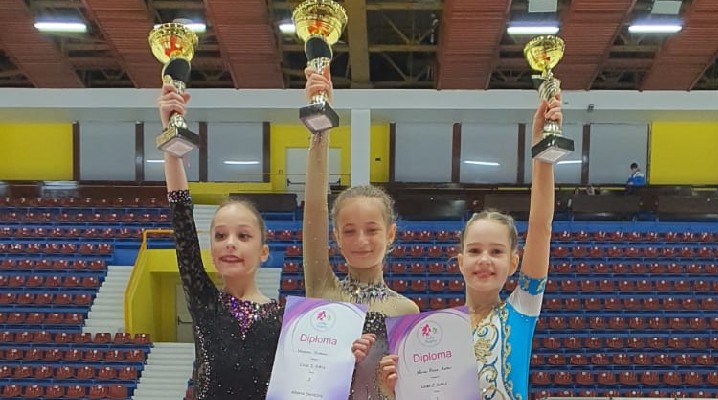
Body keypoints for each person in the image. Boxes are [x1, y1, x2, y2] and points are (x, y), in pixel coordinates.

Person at [157, 83, 374, 400]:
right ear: (211, 251)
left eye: (243, 235)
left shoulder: (288, 319)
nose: (230, 243)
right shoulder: (204, 301)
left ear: (263, 252)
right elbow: (182, 223)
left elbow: (315, 380)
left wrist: (351, 358)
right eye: (220, 235)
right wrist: (171, 141)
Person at [379, 94, 562, 400]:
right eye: (475, 251)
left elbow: (542, 225)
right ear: (460, 261)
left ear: (514, 263)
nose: (485, 260)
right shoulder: (436, 333)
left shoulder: (522, 308)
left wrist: (542, 150)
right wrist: (392, 389)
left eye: (497, 251)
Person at [303, 67, 419, 399]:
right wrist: (320, 130)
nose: (361, 241)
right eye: (349, 231)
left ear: (391, 234)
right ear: (336, 237)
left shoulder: (407, 312)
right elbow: (315, 208)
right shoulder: (323, 287)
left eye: (372, 230)